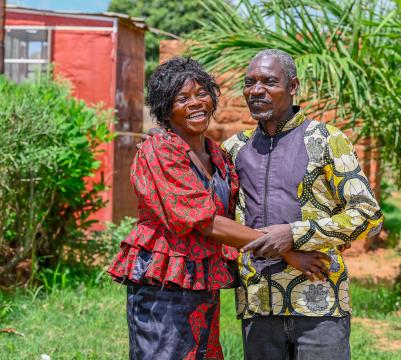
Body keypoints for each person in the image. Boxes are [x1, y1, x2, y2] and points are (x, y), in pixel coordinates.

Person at [107, 57, 333, 360]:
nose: (195, 103)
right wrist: (287, 251)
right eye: (182, 98)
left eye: (201, 94)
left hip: (200, 279)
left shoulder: (218, 154)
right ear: (165, 107)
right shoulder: (161, 150)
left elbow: (235, 216)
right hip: (165, 280)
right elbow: (205, 222)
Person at [221, 49, 384, 360]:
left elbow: (367, 214)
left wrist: (295, 233)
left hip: (319, 301)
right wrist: (287, 249)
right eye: (249, 82)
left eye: (269, 82)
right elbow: (224, 224)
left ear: (293, 87)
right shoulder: (233, 149)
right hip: (258, 302)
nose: (257, 90)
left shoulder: (325, 139)